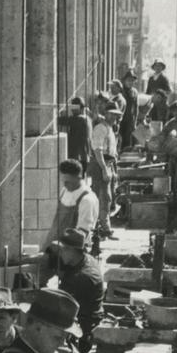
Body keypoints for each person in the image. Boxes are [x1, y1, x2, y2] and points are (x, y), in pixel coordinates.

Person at [38, 159, 99, 285]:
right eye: (63, 181)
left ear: (79, 177)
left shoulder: (87, 199)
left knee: (68, 282)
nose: (65, 185)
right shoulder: (64, 191)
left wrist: (62, 247)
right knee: (39, 274)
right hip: (56, 246)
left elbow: (82, 234)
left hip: (71, 251)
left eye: (68, 182)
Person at [55, 228, 104, 353]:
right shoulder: (86, 259)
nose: (60, 253)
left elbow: (62, 309)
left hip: (83, 331)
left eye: (63, 249)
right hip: (89, 315)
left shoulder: (81, 278)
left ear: (73, 251)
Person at [90, 105, 122, 239]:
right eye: (111, 114)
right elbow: (98, 151)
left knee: (108, 198)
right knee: (102, 197)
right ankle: (101, 229)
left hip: (109, 164)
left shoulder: (109, 129)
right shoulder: (100, 128)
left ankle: (104, 227)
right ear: (105, 114)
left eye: (116, 114)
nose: (114, 117)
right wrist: (104, 169)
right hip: (100, 165)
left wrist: (112, 170)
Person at [64, 96, 92, 175]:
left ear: (81, 108)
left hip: (79, 158)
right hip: (83, 157)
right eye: (72, 107)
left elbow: (62, 120)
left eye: (75, 107)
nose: (72, 110)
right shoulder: (87, 118)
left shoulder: (81, 119)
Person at [119, 68, 139, 150]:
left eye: (132, 81)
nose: (130, 82)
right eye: (128, 80)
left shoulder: (134, 92)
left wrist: (135, 121)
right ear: (124, 81)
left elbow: (136, 107)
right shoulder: (120, 91)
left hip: (130, 119)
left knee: (128, 141)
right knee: (119, 139)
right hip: (120, 119)